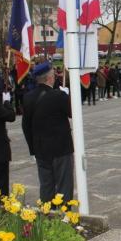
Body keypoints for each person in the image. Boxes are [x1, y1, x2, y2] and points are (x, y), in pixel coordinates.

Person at [22, 62, 74, 205]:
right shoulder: (59, 96)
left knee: (46, 186)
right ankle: (64, 217)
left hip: (41, 150)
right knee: (64, 186)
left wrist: (33, 149)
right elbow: (72, 113)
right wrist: (67, 97)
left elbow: (25, 126)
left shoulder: (28, 97)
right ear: (49, 78)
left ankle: (47, 216)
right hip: (61, 149)